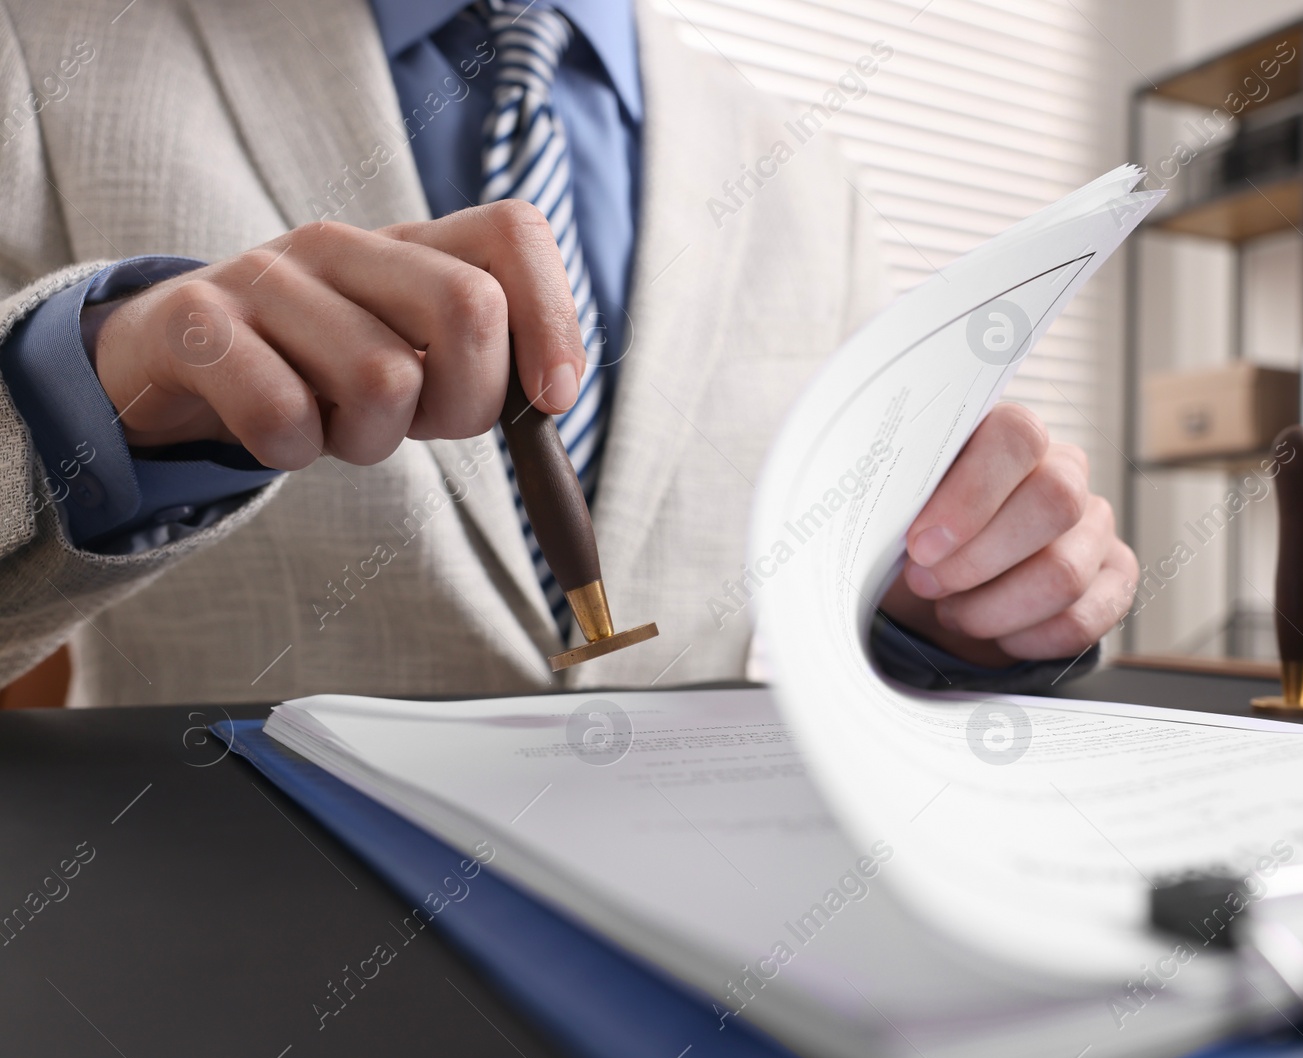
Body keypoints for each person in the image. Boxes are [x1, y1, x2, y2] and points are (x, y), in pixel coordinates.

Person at [0, 0, 1138, 706]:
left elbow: (844, 608)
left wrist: (952, 611)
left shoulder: (809, 177)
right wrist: (78, 403)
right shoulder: (45, 40)